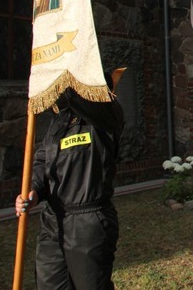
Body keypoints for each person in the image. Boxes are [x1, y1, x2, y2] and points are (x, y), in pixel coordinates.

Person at [15, 75, 125, 289]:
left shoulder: (105, 116)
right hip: (53, 220)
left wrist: (59, 70)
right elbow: (43, 159)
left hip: (88, 223)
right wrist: (34, 190)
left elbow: (89, 101)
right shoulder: (60, 119)